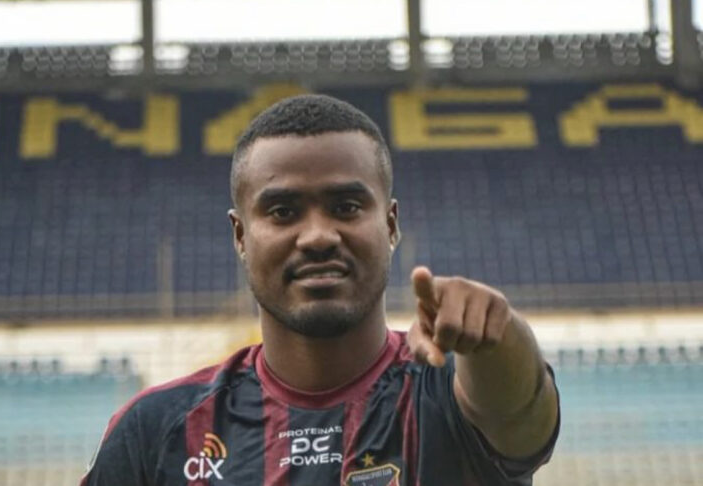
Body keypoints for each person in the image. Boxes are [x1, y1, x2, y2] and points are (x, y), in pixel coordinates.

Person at [81, 94, 560, 486]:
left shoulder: (446, 396)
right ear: (241, 236)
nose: (317, 236)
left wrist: (497, 337)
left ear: (390, 224)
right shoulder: (155, 433)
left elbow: (519, 410)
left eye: (346, 206)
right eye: (283, 212)